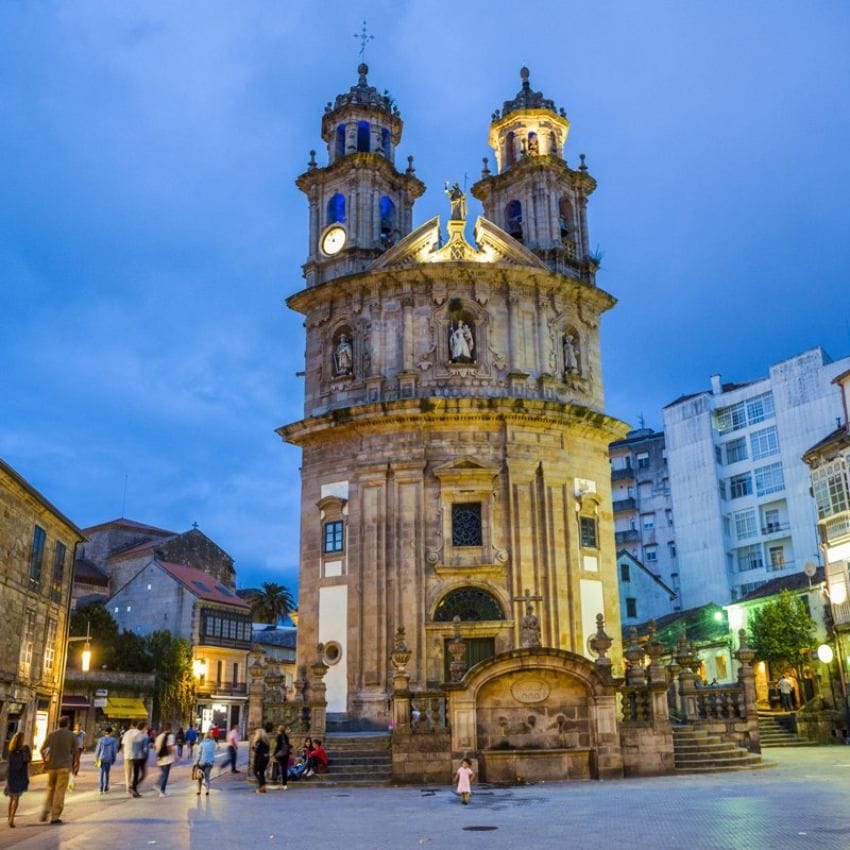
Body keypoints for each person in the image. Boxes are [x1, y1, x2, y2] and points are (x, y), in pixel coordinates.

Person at [39, 716, 78, 824]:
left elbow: (41, 749)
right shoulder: (71, 735)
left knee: (50, 790)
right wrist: (75, 764)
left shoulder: (52, 734)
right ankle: (55, 816)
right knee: (59, 792)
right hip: (64, 767)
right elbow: (75, 752)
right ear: (68, 724)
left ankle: (45, 812)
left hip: (52, 767)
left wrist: (45, 762)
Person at [5, 731, 30, 828]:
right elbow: (27, 760)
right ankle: (12, 818)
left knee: (11, 798)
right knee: (17, 798)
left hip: (11, 774)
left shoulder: (11, 750)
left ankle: (9, 818)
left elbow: (9, 763)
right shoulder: (25, 748)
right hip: (20, 775)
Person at [94, 726, 118, 795]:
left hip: (101, 758)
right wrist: (114, 759)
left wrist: (96, 759)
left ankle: (100, 788)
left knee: (101, 774)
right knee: (107, 774)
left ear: (105, 732)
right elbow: (114, 751)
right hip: (109, 758)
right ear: (111, 732)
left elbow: (98, 750)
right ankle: (106, 787)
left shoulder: (101, 740)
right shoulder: (113, 740)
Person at [154, 722, 176, 797]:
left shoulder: (159, 736)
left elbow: (155, 747)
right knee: (165, 775)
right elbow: (170, 747)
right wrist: (174, 755)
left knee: (163, 773)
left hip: (160, 757)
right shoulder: (170, 736)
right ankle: (162, 791)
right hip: (167, 757)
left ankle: (158, 784)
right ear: (170, 728)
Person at [130, 720, 150, 797]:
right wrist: (146, 757)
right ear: (143, 727)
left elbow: (132, 747)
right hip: (141, 757)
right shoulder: (144, 736)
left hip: (134, 757)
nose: (147, 729)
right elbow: (145, 749)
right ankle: (133, 787)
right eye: (146, 727)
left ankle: (134, 789)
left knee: (136, 774)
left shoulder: (134, 735)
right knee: (143, 774)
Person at [121, 720, 141, 796]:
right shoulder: (138, 733)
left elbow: (123, 744)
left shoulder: (126, 733)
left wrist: (124, 753)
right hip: (135, 756)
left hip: (127, 755)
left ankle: (127, 787)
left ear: (131, 725)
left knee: (127, 772)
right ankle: (133, 787)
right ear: (137, 725)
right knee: (135, 773)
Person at [194, 730, 216, 796]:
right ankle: (207, 791)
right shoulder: (213, 743)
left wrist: (196, 762)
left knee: (200, 777)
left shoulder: (202, 743)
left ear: (205, 736)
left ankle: (199, 791)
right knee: (207, 777)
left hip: (201, 762)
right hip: (210, 763)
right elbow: (213, 751)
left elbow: (199, 754)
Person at [252, 724, 272, 793]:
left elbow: (256, 750)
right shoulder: (266, 742)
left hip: (260, 758)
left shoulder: (259, 741)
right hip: (266, 758)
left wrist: (253, 748)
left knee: (255, 772)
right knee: (262, 772)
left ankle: (262, 786)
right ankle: (263, 787)